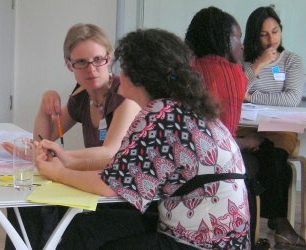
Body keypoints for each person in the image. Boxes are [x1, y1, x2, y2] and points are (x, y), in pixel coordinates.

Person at [37, 29, 250, 249]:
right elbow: (124, 172)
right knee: (87, 228)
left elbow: (110, 186)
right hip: (224, 238)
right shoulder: (181, 109)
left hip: (199, 242)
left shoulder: (159, 116)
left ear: (136, 74)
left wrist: (59, 173)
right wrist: (68, 163)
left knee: (90, 234)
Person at [5, 23, 142, 250]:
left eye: (98, 59)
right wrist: (44, 106)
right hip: (92, 186)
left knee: (44, 211)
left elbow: (109, 153)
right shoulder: (81, 96)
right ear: (69, 66)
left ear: (109, 58)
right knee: (26, 205)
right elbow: (44, 140)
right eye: (81, 62)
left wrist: (60, 158)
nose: (91, 69)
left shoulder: (125, 97)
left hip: (121, 194)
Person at [184, 6, 266, 246]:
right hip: (215, 171)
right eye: (237, 37)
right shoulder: (232, 74)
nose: (241, 45)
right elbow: (220, 141)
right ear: (221, 39)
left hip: (183, 166)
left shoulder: (186, 69)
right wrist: (246, 142)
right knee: (267, 159)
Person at [240, 6, 305, 248]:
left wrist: (252, 94)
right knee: (253, 160)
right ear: (253, 36)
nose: (271, 39)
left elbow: (291, 99)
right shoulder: (243, 61)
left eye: (275, 32)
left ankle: (279, 224)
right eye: (264, 34)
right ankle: (270, 226)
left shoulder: (291, 60)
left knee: (275, 158)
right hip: (246, 128)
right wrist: (256, 66)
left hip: (280, 128)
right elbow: (237, 92)